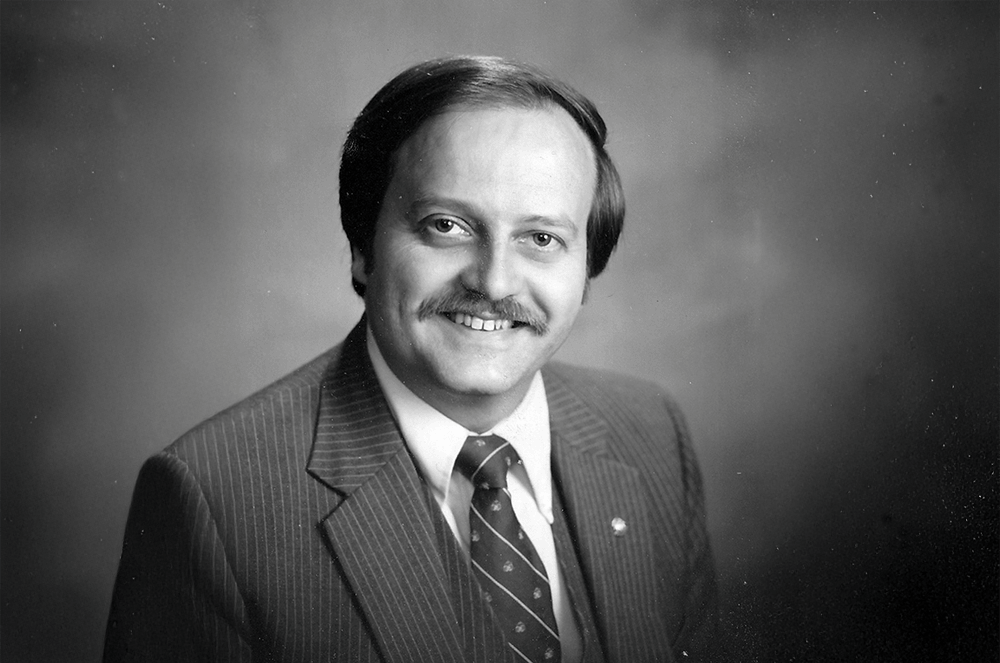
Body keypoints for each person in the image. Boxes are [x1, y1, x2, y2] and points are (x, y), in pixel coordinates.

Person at [104, 55, 719, 663]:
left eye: (541, 239)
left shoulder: (651, 431)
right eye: (446, 225)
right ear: (362, 248)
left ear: (587, 269)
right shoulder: (213, 500)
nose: (496, 282)